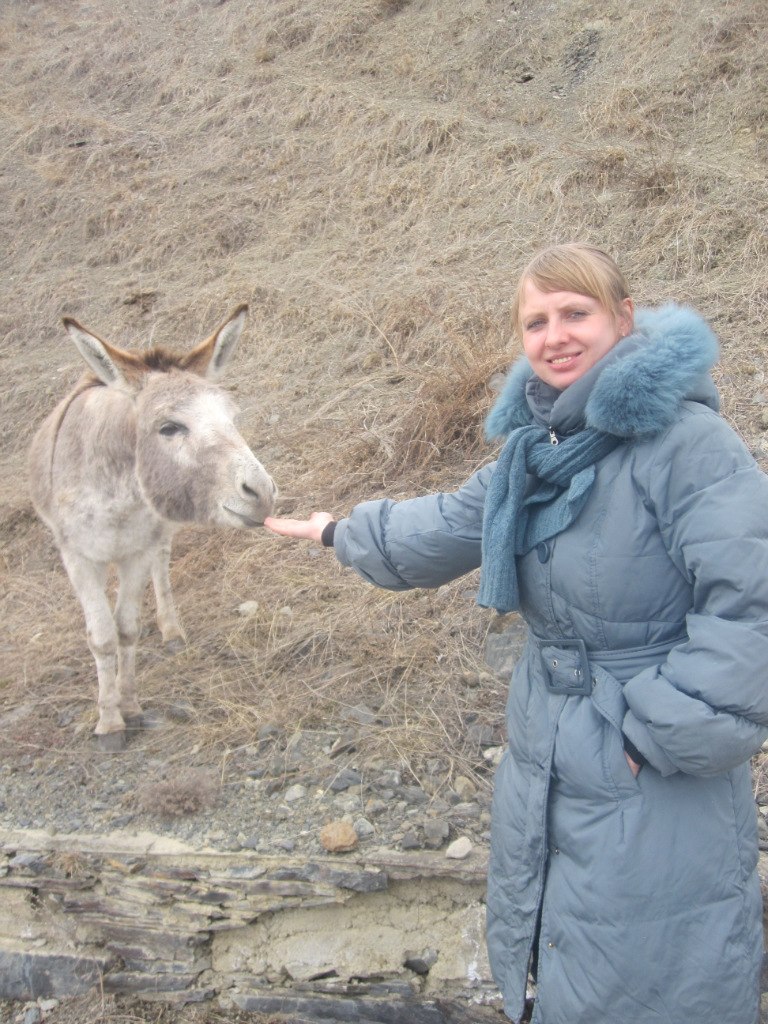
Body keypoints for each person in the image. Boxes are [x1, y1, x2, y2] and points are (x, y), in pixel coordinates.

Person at [264, 242, 768, 1024]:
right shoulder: (538, 451)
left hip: (653, 774)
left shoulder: (689, 447)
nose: (555, 335)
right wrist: (341, 532)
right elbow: (452, 523)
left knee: (661, 977)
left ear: (624, 319)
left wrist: (651, 735)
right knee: (562, 960)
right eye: (536, 321)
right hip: (548, 752)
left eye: (576, 313)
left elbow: (753, 606)